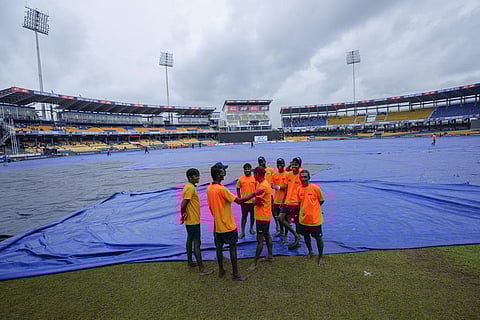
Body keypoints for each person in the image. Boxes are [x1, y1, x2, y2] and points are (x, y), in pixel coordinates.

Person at [207, 162, 264, 281]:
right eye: (223, 170)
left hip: (217, 226)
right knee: (233, 249)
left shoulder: (209, 188)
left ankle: (221, 270)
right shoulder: (222, 190)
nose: (225, 172)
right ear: (218, 174)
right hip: (228, 226)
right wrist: (254, 193)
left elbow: (211, 208)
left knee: (219, 248)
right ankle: (236, 274)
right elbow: (239, 201)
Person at [181, 168, 214, 275]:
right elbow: (183, 203)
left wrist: (185, 213)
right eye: (196, 176)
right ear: (190, 177)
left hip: (191, 220)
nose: (198, 177)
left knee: (190, 239)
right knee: (197, 243)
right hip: (193, 221)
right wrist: (183, 213)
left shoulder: (189, 187)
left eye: (198, 175)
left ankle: (190, 261)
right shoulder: (190, 188)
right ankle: (202, 269)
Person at [247, 167, 274, 271]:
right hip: (264, 215)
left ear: (258, 174)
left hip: (262, 216)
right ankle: (270, 255)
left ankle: (254, 262)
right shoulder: (262, 183)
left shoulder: (263, 186)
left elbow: (257, 201)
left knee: (260, 240)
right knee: (267, 235)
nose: (253, 175)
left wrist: (254, 201)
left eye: (255, 174)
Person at [298, 169, 325, 265]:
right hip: (304, 220)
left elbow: (321, 200)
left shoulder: (315, 188)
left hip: (315, 220)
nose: (303, 178)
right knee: (306, 236)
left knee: (318, 238)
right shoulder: (299, 189)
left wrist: (315, 209)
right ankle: (310, 252)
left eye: (305, 177)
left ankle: (321, 256)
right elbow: (300, 203)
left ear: (309, 178)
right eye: (301, 177)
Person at [279, 157, 303, 249]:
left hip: (296, 203)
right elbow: (287, 189)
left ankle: (296, 240)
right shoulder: (288, 174)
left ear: (300, 166)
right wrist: (283, 201)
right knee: (281, 218)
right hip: (287, 201)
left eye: (296, 164)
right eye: (293, 164)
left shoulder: (301, 173)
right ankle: (296, 235)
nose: (294, 166)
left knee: (296, 222)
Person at [236, 163, 256, 238]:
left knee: (252, 216)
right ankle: (243, 231)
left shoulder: (254, 178)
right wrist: (240, 198)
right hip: (244, 202)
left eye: (248, 169)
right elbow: (238, 188)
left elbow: (257, 189)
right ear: (243, 170)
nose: (247, 170)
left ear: (251, 169)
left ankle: (251, 228)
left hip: (253, 202)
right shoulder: (241, 179)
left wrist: (255, 198)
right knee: (244, 216)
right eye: (246, 169)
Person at [272, 158, 288, 236]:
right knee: (278, 217)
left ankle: (286, 233)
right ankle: (281, 231)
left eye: (281, 164)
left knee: (285, 218)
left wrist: (279, 187)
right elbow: (272, 184)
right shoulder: (274, 174)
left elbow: (288, 187)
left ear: (284, 164)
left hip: (285, 200)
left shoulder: (287, 174)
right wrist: (273, 186)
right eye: (278, 164)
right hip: (276, 200)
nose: (279, 165)